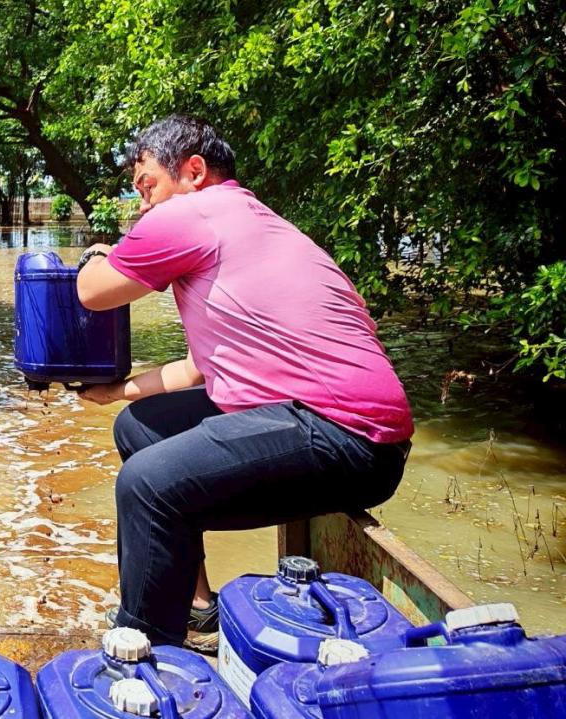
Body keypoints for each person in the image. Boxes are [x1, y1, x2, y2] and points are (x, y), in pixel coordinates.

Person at [74, 115, 413, 649]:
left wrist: (97, 254)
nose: (142, 206)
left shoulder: (191, 213)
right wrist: (116, 393)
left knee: (145, 484)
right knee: (139, 427)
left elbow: (92, 292)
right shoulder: (250, 219)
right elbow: (197, 369)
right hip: (347, 433)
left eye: (147, 187)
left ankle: (146, 655)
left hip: (343, 433)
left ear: (193, 171)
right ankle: (195, 608)